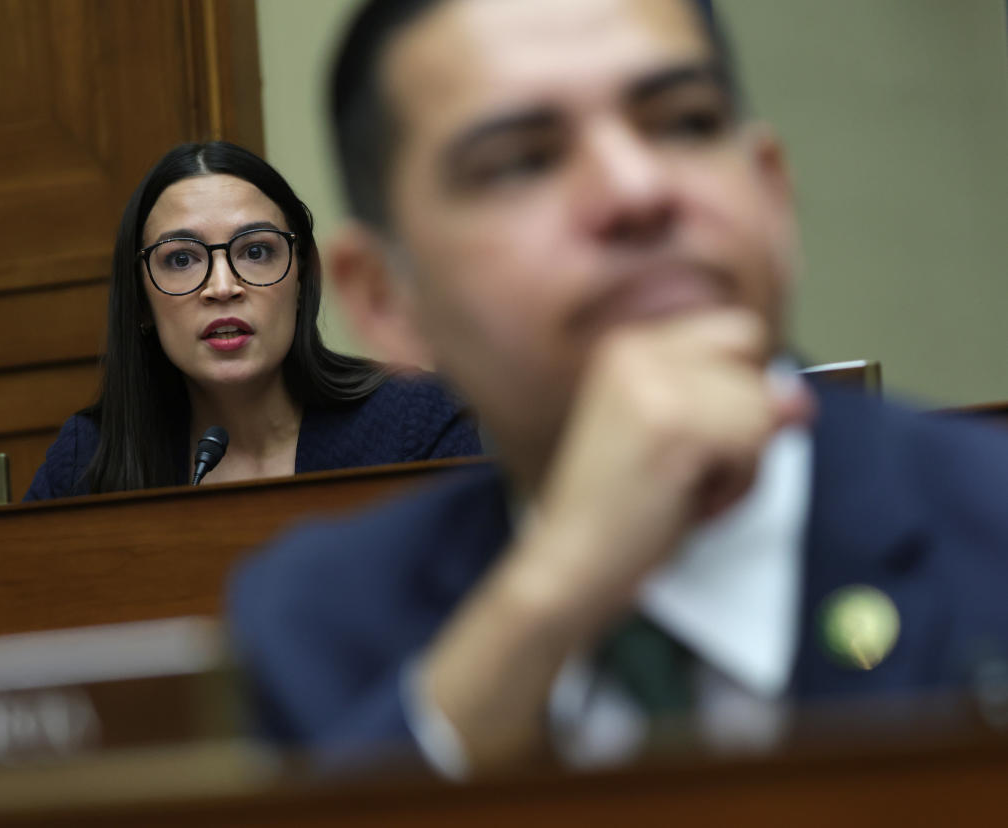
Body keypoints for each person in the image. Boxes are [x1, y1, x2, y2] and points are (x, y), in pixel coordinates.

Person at [229, 0, 1008, 776]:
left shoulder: (990, 525)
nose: (637, 190)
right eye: (522, 162)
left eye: (685, 123)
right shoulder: (317, 624)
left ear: (771, 194)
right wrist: (545, 598)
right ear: (388, 299)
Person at [23, 141, 480, 500]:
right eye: (181, 258)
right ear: (141, 300)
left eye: (256, 252)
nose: (222, 287)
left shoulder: (416, 425)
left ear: (301, 276)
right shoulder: (89, 458)